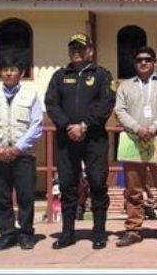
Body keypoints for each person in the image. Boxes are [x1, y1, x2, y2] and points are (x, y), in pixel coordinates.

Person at [44, 32, 115, 250]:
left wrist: (84, 125)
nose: (77, 52)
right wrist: (68, 126)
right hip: (67, 139)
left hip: (94, 138)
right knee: (67, 185)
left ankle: (99, 232)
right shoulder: (59, 76)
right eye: (73, 48)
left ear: (90, 51)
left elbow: (106, 103)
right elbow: (51, 103)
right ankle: (67, 233)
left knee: (97, 183)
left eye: (81, 48)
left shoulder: (102, 75)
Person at [0, 56, 44, 251]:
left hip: (23, 155)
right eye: (5, 69)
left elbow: (37, 125)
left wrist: (18, 148)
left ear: (21, 73)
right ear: (0, 73)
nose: (8, 73)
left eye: (13, 69)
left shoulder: (31, 96)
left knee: (26, 196)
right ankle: (6, 234)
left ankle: (25, 234)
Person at [113, 46, 157, 247]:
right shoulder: (125, 86)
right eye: (139, 59)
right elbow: (119, 110)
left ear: (154, 62)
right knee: (133, 188)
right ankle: (133, 230)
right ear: (134, 63)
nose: (143, 62)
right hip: (133, 141)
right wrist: (137, 128)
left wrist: (153, 128)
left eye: (148, 59)